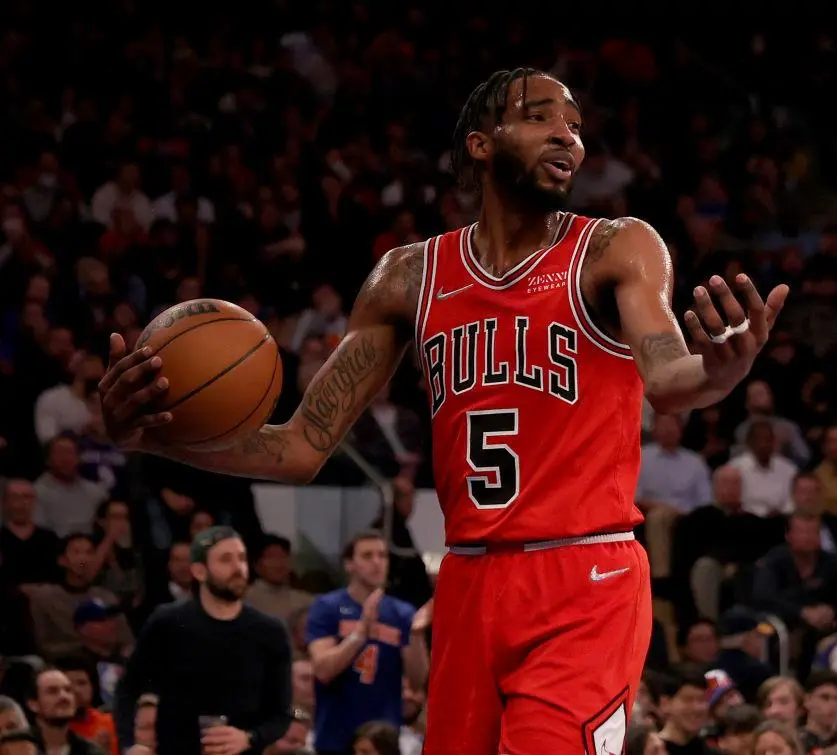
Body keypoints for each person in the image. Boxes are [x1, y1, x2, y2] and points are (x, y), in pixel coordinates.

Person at [98, 67, 788, 755]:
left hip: (584, 576)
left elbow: (668, 375)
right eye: (542, 117)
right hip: (465, 581)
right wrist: (154, 439)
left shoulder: (613, 247)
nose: (568, 139)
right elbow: (301, 444)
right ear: (483, 144)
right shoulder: (408, 277)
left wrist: (719, 368)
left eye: (576, 127)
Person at [113, 526, 292, 755]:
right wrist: (130, 744)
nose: (238, 568)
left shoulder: (269, 631)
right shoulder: (168, 622)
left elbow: (281, 714)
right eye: (225, 560)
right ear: (199, 571)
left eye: (242, 558)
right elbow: (128, 689)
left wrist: (249, 737)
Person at [305, 531, 429, 754]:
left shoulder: (402, 613)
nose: (377, 562)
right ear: (349, 564)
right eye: (367, 555)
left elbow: (417, 682)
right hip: (335, 734)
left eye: (382, 555)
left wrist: (418, 635)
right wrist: (360, 634)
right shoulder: (327, 607)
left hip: (384, 738)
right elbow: (323, 670)